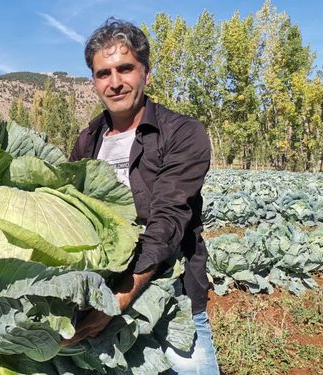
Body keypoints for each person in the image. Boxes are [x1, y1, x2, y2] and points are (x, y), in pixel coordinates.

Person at [67, 18, 219, 374]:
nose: (115, 82)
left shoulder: (182, 133)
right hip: (98, 294)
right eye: (103, 73)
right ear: (94, 81)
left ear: (146, 74)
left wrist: (119, 297)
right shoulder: (87, 140)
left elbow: (168, 219)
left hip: (172, 294)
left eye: (126, 68)